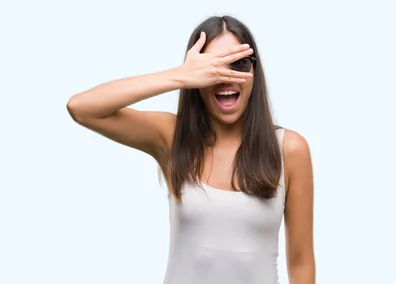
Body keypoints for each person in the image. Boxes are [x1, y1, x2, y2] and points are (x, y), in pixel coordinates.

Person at [66, 15, 315, 284]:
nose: (225, 75)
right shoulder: (173, 137)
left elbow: (301, 263)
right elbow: (82, 108)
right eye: (212, 66)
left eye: (238, 64)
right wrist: (179, 76)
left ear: (254, 72)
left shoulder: (289, 150)